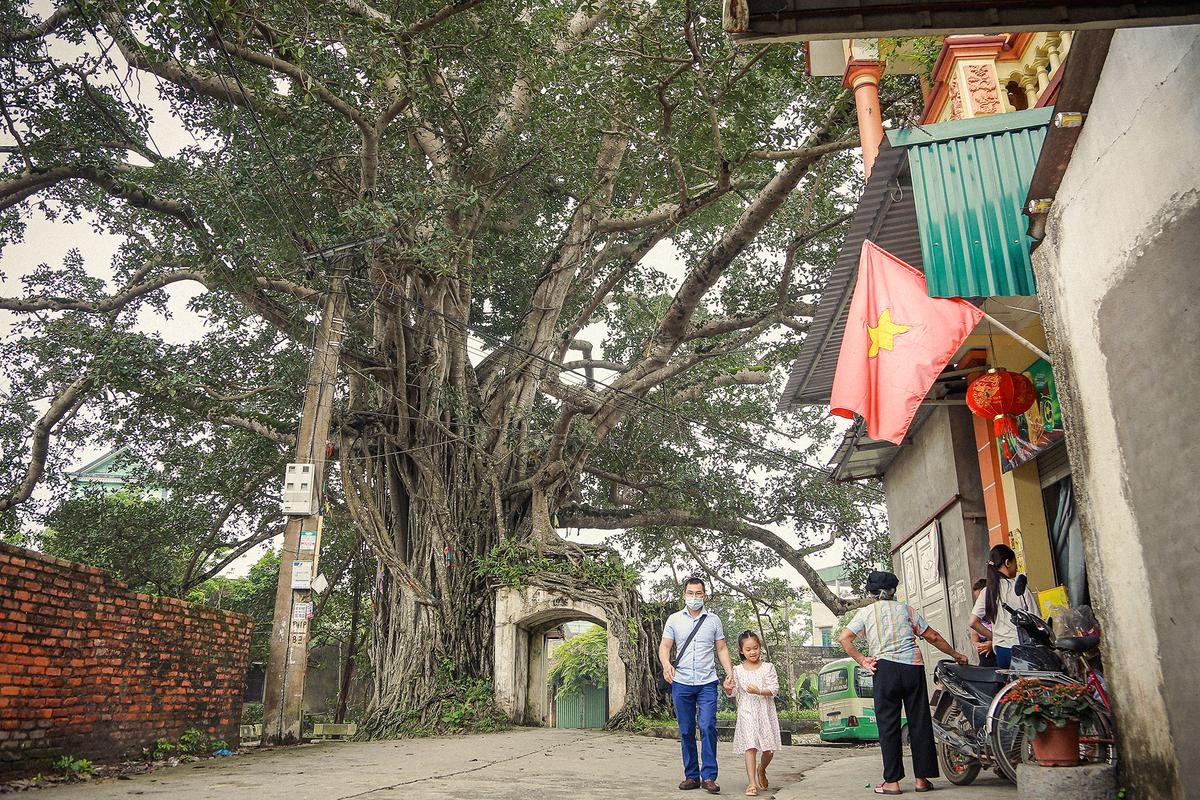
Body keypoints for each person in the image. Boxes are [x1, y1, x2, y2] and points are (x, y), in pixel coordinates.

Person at [839, 570, 969, 796]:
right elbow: (933, 636)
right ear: (892, 591)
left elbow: (845, 638)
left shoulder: (866, 613)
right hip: (912, 668)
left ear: (872, 592)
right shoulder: (907, 610)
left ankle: (892, 782)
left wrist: (863, 660)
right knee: (919, 720)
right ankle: (922, 779)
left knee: (888, 725)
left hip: (884, 669)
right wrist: (956, 654)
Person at [660, 577, 736, 794]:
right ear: (684, 594)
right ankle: (691, 775)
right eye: (690, 593)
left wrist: (729, 673)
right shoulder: (674, 619)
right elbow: (665, 645)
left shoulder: (713, 620)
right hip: (681, 682)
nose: (694, 597)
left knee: (707, 725)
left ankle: (709, 776)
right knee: (685, 730)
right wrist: (666, 665)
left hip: (707, 682)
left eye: (698, 593)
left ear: (705, 595)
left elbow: (721, 648)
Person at [727, 631, 782, 797]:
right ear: (741, 651)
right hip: (747, 711)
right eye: (748, 649)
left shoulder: (768, 667)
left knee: (768, 750)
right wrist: (728, 687)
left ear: (760, 648)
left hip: (765, 710)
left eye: (756, 648)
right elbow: (733, 692)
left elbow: (774, 689)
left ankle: (761, 769)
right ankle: (751, 783)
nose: (753, 652)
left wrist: (759, 691)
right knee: (750, 746)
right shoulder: (737, 670)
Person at [968, 544, 1040, 669]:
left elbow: (973, 622)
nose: (1016, 568)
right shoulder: (1019, 588)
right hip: (1021, 650)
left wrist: (994, 636)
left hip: (1001, 652)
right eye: (1015, 563)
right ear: (1007, 563)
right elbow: (1037, 620)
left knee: (1009, 686)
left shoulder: (987, 591)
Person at [969, 578, 997, 668]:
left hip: (998, 658)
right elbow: (974, 633)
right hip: (985, 661)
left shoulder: (997, 614)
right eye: (977, 600)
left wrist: (992, 643)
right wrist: (976, 643)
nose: (980, 603)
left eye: (981, 599)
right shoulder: (978, 615)